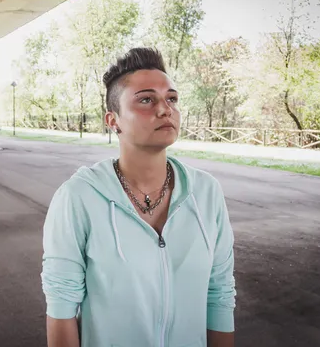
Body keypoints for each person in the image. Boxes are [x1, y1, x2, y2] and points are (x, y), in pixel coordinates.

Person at [41, 47, 236, 347]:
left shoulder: (207, 193)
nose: (164, 109)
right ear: (113, 120)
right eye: (146, 99)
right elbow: (62, 306)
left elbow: (219, 295)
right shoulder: (77, 197)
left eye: (171, 99)